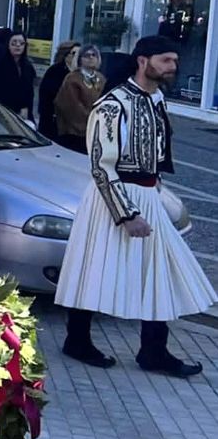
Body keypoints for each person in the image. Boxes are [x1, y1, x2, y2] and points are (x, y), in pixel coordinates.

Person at [55, 36, 216, 378]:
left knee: (160, 272)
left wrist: (155, 187)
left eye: (174, 60)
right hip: (112, 199)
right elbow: (101, 166)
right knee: (95, 267)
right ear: (143, 61)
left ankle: (153, 350)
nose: (173, 66)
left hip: (147, 194)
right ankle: (77, 340)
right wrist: (126, 213)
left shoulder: (157, 99)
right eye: (166, 60)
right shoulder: (112, 105)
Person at [53, 45, 104, 153]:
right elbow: (72, 106)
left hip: (96, 131)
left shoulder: (101, 78)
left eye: (94, 55)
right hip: (75, 133)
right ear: (80, 59)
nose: (91, 58)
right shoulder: (72, 78)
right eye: (86, 55)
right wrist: (91, 120)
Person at [0, 32, 36, 119]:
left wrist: (26, 108)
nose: (18, 45)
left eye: (21, 43)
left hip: (24, 113)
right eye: (14, 43)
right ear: (8, 45)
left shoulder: (28, 67)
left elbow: (30, 92)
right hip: (5, 112)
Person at [37, 41, 79, 140]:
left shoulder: (82, 72)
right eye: (74, 53)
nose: (77, 56)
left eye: (79, 53)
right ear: (66, 55)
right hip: (53, 120)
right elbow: (48, 95)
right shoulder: (54, 71)